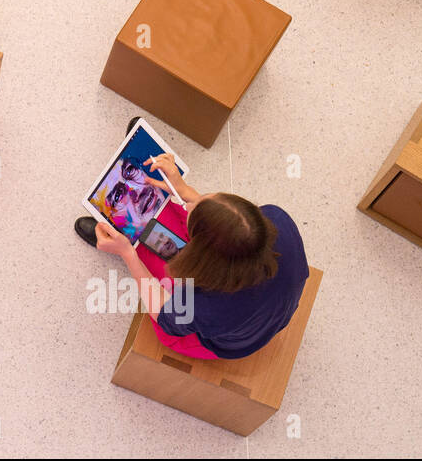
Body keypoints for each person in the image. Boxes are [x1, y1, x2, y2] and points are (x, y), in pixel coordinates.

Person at [75, 120, 309, 361]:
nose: (187, 203)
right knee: (171, 217)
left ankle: (124, 240)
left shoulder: (209, 309)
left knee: (150, 247)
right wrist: (182, 187)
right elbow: (224, 225)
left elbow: (164, 316)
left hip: (217, 342)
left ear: (204, 260)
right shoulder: (276, 220)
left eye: (195, 205)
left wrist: (128, 254)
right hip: (270, 309)